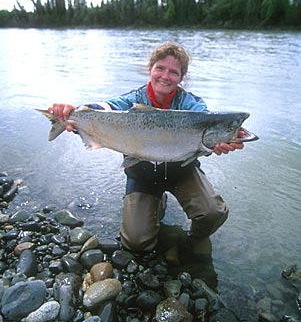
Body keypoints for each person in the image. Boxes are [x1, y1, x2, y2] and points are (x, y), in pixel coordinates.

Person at [48, 42, 244, 257]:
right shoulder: (132, 100)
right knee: (136, 242)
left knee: (213, 213)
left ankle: (195, 238)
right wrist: (73, 113)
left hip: (183, 172)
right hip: (142, 175)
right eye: (160, 68)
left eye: (174, 72)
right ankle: (156, 204)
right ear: (150, 69)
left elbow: (209, 127)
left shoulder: (193, 106)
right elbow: (105, 108)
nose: (165, 76)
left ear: (181, 77)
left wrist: (221, 142)